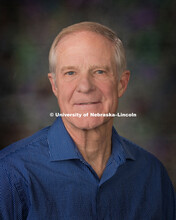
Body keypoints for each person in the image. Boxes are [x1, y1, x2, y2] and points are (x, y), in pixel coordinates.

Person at [0, 22, 175, 220]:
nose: (85, 86)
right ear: (55, 85)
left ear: (121, 83)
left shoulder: (152, 174)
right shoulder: (9, 174)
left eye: (99, 71)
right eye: (70, 73)